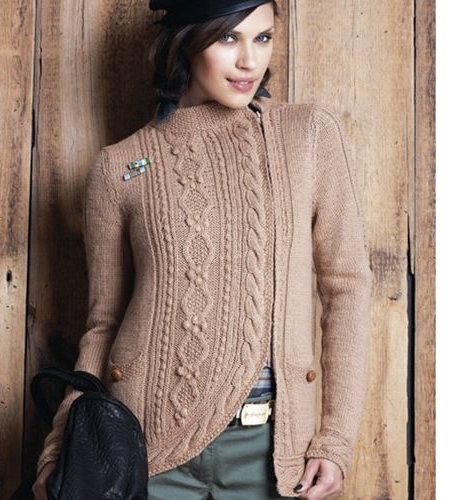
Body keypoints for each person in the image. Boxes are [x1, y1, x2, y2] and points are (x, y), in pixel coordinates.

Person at [32, 0, 373, 498]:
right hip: (143, 447)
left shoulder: (307, 136)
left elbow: (347, 287)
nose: (249, 61)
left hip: (268, 449)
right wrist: (59, 445)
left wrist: (335, 439)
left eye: (262, 38)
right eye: (228, 38)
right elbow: (104, 325)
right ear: (186, 41)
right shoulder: (121, 167)